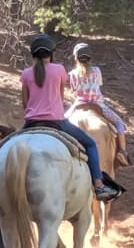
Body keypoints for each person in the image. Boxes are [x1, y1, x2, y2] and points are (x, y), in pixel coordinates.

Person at [18, 34, 119, 200]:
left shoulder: (26, 74)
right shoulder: (58, 70)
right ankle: (99, 187)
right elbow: (60, 96)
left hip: (31, 123)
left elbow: (25, 103)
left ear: (33, 54)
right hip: (57, 122)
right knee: (91, 144)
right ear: (51, 53)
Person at [69, 42, 131, 167]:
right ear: (90, 57)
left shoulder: (73, 74)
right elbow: (98, 85)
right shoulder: (97, 70)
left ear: (76, 58)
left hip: (79, 104)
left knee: (61, 122)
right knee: (119, 123)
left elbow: (74, 91)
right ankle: (122, 152)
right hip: (98, 104)